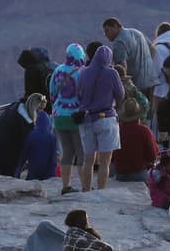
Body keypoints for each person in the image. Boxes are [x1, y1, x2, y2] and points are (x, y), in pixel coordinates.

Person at [76, 44, 125, 191]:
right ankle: (101, 192)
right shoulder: (112, 73)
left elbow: (78, 95)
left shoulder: (83, 72)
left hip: (86, 119)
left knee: (88, 159)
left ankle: (85, 189)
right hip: (106, 118)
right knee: (105, 162)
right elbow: (121, 94)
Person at [48, 43, 88, 195]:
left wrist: (59, 107)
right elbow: (85, 95)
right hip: (76, 117)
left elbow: (52, 94)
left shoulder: (57, 70)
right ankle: (85, 186)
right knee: (81, 152)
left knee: (67, 151)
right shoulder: (82, 72)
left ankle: (66, 186)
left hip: (59, 116)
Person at [102, 18, 157, 109]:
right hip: (151, 81)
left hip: (136, 86)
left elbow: (122, 68)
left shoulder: (119, 42)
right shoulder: (137, 32)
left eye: (107, 31)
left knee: (135, 115)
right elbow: (153, 50)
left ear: (115, 26)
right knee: (148, 116)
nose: (106, 35)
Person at [0, 92, 44, 178]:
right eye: (38, 110)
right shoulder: (26, 120)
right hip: (6, 150)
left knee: (6, 174)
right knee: (11, 176)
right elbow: (29, 141)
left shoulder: (16, 106)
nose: (38, 113)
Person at [114, 96, 158, 182]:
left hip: (119, 174)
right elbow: (153, 156)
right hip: (139, 173)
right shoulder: (144, 131)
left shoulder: (117, 130)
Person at [17, 97, 59, 181]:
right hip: (48, 174)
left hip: (33, 173)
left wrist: (17, 172)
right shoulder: (52, 138)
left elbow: (23, 156)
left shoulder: (31, 136)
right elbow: (53, 159)